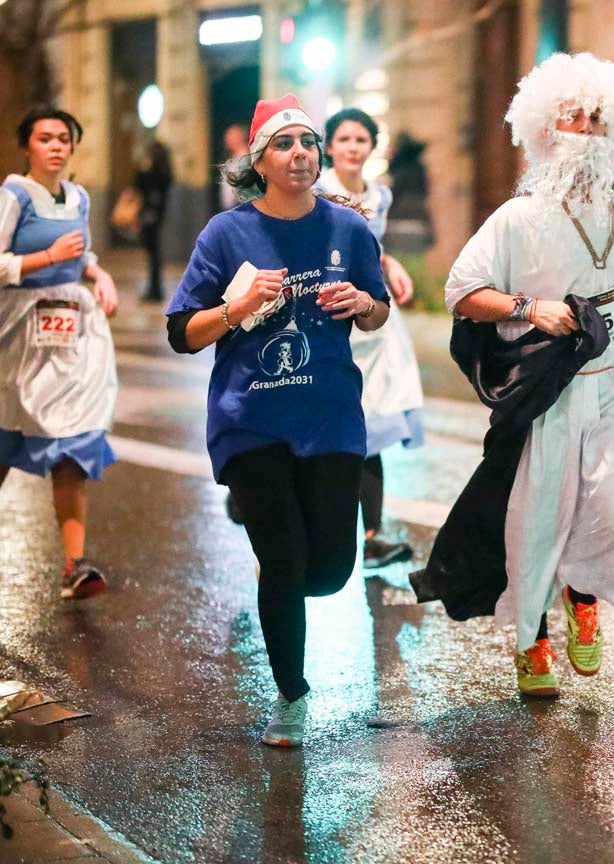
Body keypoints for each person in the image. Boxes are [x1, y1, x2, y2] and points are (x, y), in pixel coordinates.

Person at [419, 52, 614, 698]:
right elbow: (461, 290)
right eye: (570, 116)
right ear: (542, 129)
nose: (583, 128)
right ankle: (530, 640)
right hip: (549, 394)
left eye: (594, 117)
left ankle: (583, 595)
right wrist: (532, 310)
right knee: (535, 525)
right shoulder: (517, 219)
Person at [165, 94, 390, 748]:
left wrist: (362, 303)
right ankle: (291, 697)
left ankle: (277, 555)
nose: (301, 154)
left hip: (330, 418)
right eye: (285, 144)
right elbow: (182, 333)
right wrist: (236, 309)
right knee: (286, 561)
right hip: (252, 420)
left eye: (308, 143)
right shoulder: (225, 234)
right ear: (259, 162)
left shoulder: (348, 231)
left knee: (331, 570)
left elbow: (378, 310)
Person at [0, 106, 119, 600]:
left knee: (71, 441)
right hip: (18, 333)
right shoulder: (12, 195)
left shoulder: (79, 197)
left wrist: (98, 273)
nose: (55, 146)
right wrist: (46, 258)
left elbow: (82, 251)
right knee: (5, 441)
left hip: (70, 333)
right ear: (27, 145)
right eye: (45, 137)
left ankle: (75, 565)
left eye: (64, 138)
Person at [316, 107, 425, 568]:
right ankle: (258, 503)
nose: (353, 148)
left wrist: (389, 264)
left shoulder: (380, 196)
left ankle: (375, 537)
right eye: (344, 139)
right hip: (327, 317)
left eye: (361, 139)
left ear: (371, 147)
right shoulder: (316, 190)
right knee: (320, 428)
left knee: (373, 425)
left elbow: (372, 251)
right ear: (330, 146)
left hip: (375, 322)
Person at [134, 140, 172, 302]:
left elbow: (137, 184)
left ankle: (154, 289)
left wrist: (142, 169)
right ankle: (155, 288)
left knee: (153, 254)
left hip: (149, 216)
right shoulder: (166, 172)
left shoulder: (151, 172)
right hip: (158, 215)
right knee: (155, 254)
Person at [218, 123, 248, 211]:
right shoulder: (233, 160)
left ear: (239, 138)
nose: (226, 140)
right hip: (230, 209)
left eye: (230, 136)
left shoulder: (247, 160)